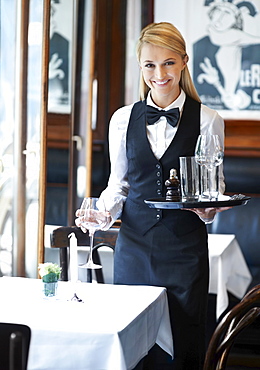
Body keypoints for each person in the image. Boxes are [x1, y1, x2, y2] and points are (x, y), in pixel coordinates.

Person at [76, 22, 230, 370]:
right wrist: (102, 214)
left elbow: (210, 191)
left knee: (182, 348)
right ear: (140, 66)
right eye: (149, 65)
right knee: (133, 349)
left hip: (184, 254)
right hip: (134, 250)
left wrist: (209, 209)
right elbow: (119, 185)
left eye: (168, 63)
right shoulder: (121, 119)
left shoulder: (208, 121)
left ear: (184, 62)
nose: (159, 74)